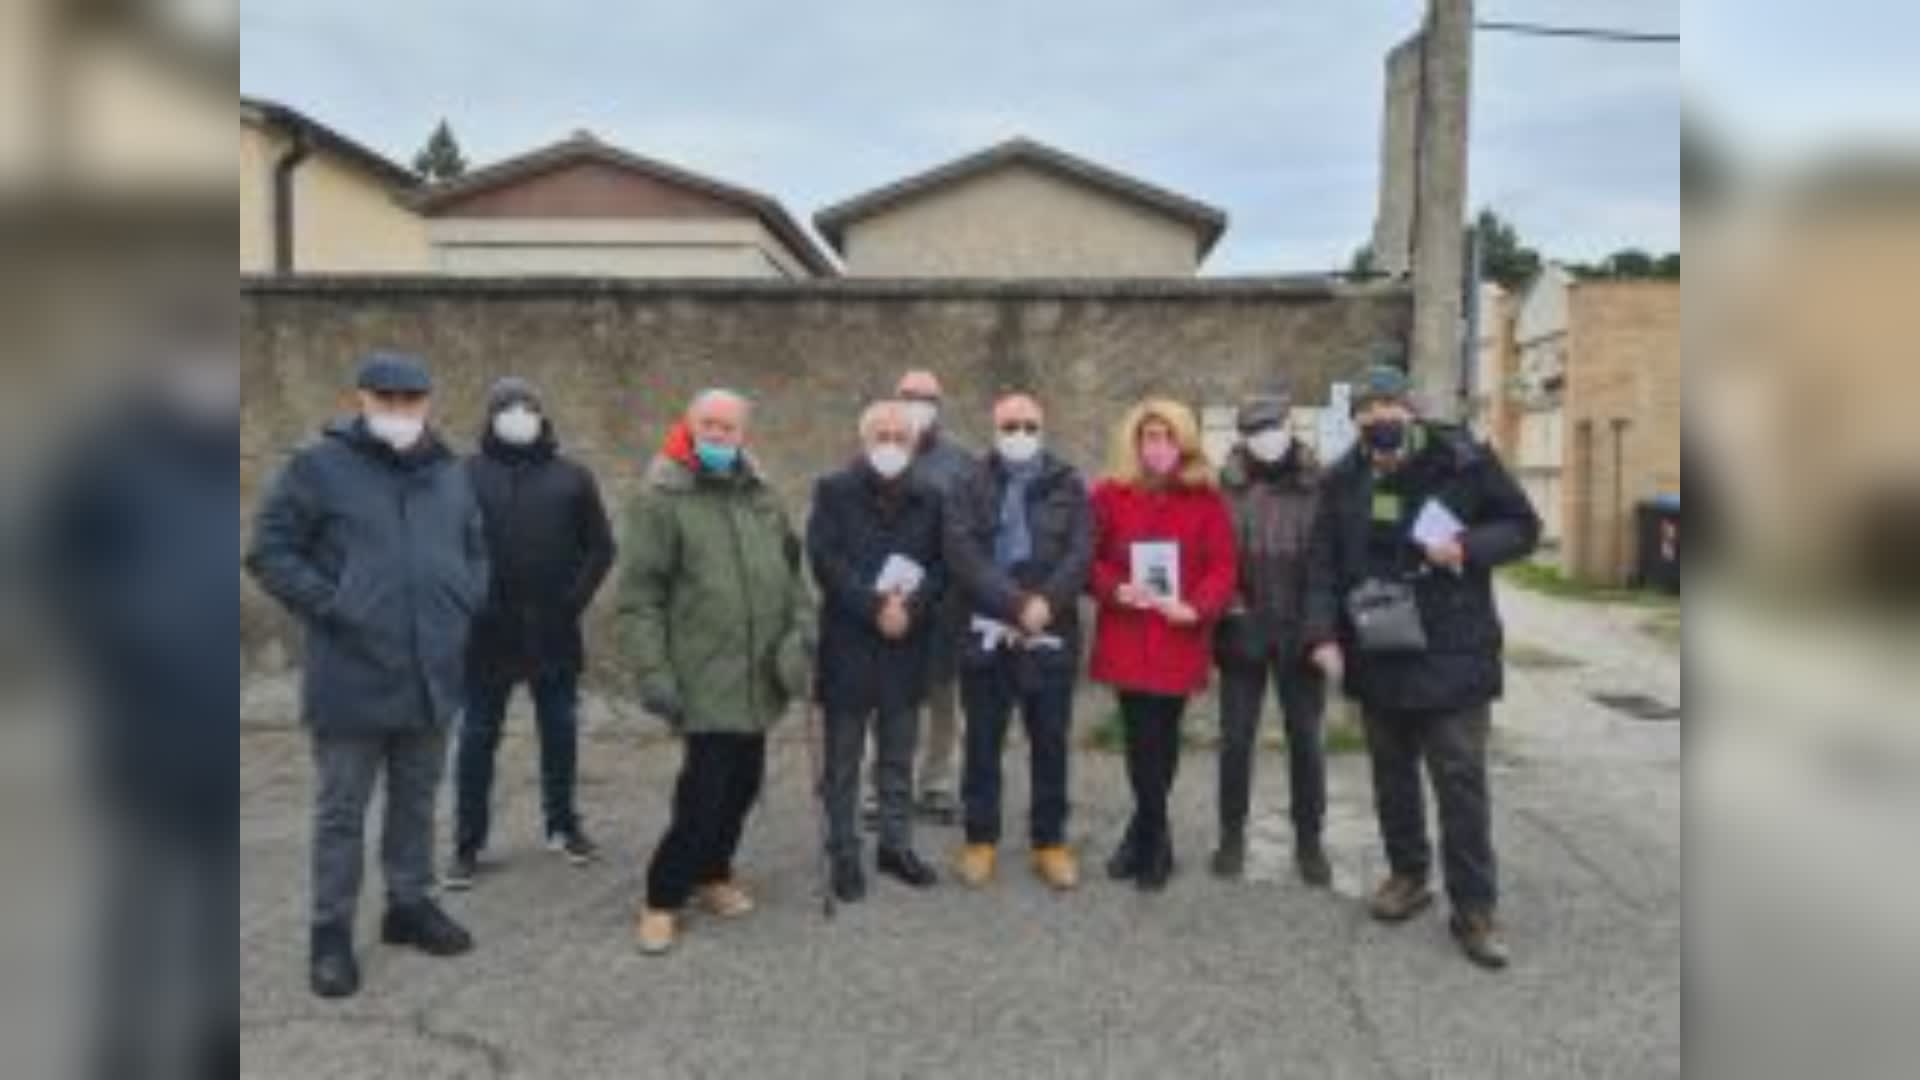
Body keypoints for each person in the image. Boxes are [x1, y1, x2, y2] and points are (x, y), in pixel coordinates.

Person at [246, 352, 487, 999]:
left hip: (433, 669)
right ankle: (330, 933)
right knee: (342, 813)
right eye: (387, 399)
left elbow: (475, 544)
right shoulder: (317, 468)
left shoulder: (450, 471)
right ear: (361, 399)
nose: (400, 411)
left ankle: (408, 907)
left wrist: (465, 597)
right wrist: (333, 602)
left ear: (429, 403)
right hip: (352, 669)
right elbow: (269, 549)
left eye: (412, 400)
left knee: (416, 800)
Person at [1303, 363, 1541, 969]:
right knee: (1391, 776)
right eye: (1368, 407)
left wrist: (1466, 549)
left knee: (1459, 782)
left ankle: (1476, 908)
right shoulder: (1341, 479)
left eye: (1390, 404)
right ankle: (1408, 875)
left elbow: (1522, 526)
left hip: (1452, 650)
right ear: (1354, 417)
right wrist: (1322, 635)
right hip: (1378, 645)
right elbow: (1323, 567)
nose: (1380, 416)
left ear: (1409, 408)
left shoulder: (1462, 459)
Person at [616, 389, 814, 955]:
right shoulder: (662, 499)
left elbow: (791, 568)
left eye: (729, 428)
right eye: (709, 424)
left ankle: (712, 873)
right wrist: (653, 671)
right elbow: (639, 597)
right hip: (701, 675)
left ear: (743, 434)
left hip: (759, 674)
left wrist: (804, 628)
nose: (719, 435)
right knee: (703, 792)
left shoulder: (761, 495)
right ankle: (661, 898)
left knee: (745, 784)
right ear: (689, 425)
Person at [446, 378, 616, 889]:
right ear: (490, 417)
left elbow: (600, 548)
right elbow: (444, 546)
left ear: (542, 415)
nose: (517, 414)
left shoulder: (572, 477)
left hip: (553, 630)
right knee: (477, 737)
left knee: (560, 730)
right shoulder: (460, 476)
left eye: (526, 407)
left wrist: (573, 601)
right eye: (506, 407)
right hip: (486, 633)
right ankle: (467, 844)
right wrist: (469, 600)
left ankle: (562, 825)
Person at [943, 391, 1093, 891]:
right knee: (983, 741)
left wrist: (1046, 603)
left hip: (1053, 630)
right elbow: (961, 551)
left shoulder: (1069, 483)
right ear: (993, 428)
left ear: (1043, 426)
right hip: (986, 630)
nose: (1020, 435)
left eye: (1029, 425)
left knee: (1050, 741)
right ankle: (980, 839)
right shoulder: (968, 481)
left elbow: (1081, 550)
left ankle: (1049, 842)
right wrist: (1015, 604)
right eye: (1010, 426)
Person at [1087, 399, 1238, 892]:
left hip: (1177, 633)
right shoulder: (1109, 494)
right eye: (1150, 437)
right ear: (1136, 442)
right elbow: (1086, 559)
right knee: (1137, 736)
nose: (1158, 446)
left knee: (1164, 734)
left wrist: (1195, 607)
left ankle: (1146, 835)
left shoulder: (1206, 499)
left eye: (1168, 437)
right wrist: (1115, 589)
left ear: (1185, 442)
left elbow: (1223, 567)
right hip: (1128, 633)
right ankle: (1155, 835)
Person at [807, 400, 948, 902]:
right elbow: (825, 560)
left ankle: (895, 845)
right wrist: (874, 607)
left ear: (915, 445)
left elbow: (941, 566)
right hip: (849, 644)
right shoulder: (833, 491)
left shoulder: (931, 497)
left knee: (897, 758)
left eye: (900, 437)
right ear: (864, 441)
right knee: (842, 763)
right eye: (881, 436)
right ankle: (843, 851)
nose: (891, 445)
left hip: (905, 647)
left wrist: (909, 609)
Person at [1211, 389, 1332, 886]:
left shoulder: (1319, 484)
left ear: (1290, 425)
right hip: (1244, 627)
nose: (1267, 437)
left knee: (1306, 739)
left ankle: (1309, 840)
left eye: (1273, 425)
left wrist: (1318, 625)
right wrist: (1234, 609)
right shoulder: (1226, 488)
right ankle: (1232, 834)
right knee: (1236, 739)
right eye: (1256, 429)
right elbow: (1216, 557)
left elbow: (1329, 557)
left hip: (1302, 629)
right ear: (1243, 438)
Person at [890, 370, 977, 825]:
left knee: (945, 696)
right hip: (889, 600)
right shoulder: (876, 447)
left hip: (945, 600)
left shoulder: (961, 461)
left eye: (927, 398)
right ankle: (879, 785)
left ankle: (938, 784)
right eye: (909, 396)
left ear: (940, 406)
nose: (917, 403)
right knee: (884, 697)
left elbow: (975, 525)